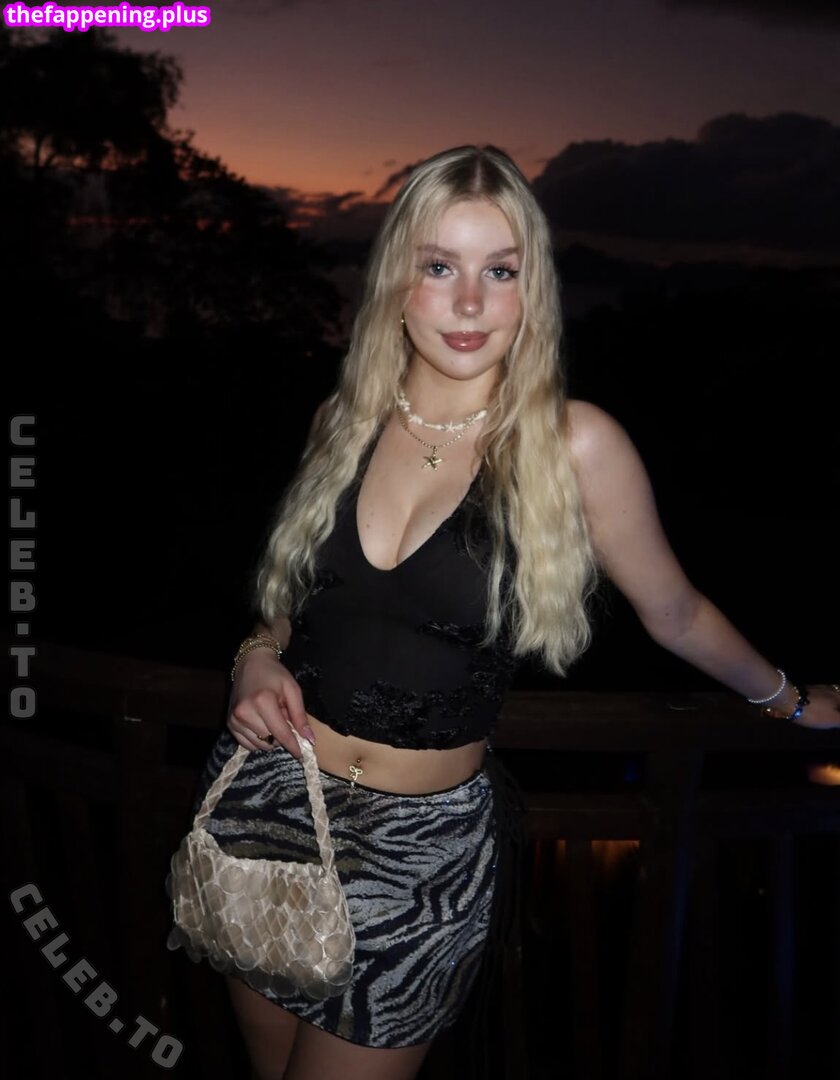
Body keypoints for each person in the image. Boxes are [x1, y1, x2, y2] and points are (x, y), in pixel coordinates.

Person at [175, 145, 840, 1080]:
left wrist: (794, 702)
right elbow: (298, 601)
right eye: (439, 266)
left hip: (423, 852)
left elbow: (677, 613)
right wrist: (255, 654)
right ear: (397, 281)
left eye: (501, 271)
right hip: (270, 803)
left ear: (534, 293)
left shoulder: (574, 445)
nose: (469, 302)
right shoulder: (343, 420)